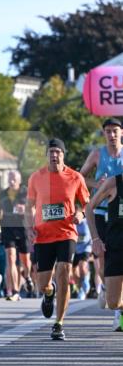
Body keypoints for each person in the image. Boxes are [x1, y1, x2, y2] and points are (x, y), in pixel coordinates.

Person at [25, 138, 90, 340]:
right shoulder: (36, 177)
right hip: (43, 236)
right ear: (47, 155)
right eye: (51, 152)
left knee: (64, 272)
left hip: (66, 233)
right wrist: (29, 228)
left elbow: (87, 203)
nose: (54, 155)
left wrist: (81, 214)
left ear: (63, 154)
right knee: (42, 284)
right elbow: (29, 207)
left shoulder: (76, 177)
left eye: (58, 152)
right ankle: (49, 293)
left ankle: (59, 323)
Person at [80, 117, 123, 308]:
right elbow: (80, 178)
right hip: (100, 210)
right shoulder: (97, 154)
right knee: (103, 256)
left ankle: (117, 306)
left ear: (122, 133)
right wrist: (96, 184)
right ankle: (107, 286)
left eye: (115, 131)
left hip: (119, 215)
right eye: (108, 131)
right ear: (104, 134)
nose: (112, 135)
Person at [86, 171, 123, 331]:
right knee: (113, 302)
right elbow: (89, 208)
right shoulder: (113, 183)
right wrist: (95, 238)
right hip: (115, 247)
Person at [0, 170, 32, 301]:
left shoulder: (26, 192)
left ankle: (28, 277)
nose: (11, 181)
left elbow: (35, 207)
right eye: (9, 178)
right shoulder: (2, 194)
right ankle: (14, 291)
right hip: (7, 228)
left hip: (23, 228)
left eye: (13, 179)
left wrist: (26, 209)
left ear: (19, 180)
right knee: (11, 258)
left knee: (25, 261)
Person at [72, 206, 92, 300]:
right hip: (74, 249)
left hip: (86, 247)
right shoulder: (71, 222)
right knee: (74, 272)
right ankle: (80, 289)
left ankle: (85, 281)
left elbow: (92, 232)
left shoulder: (86, 221)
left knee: (82, 266)